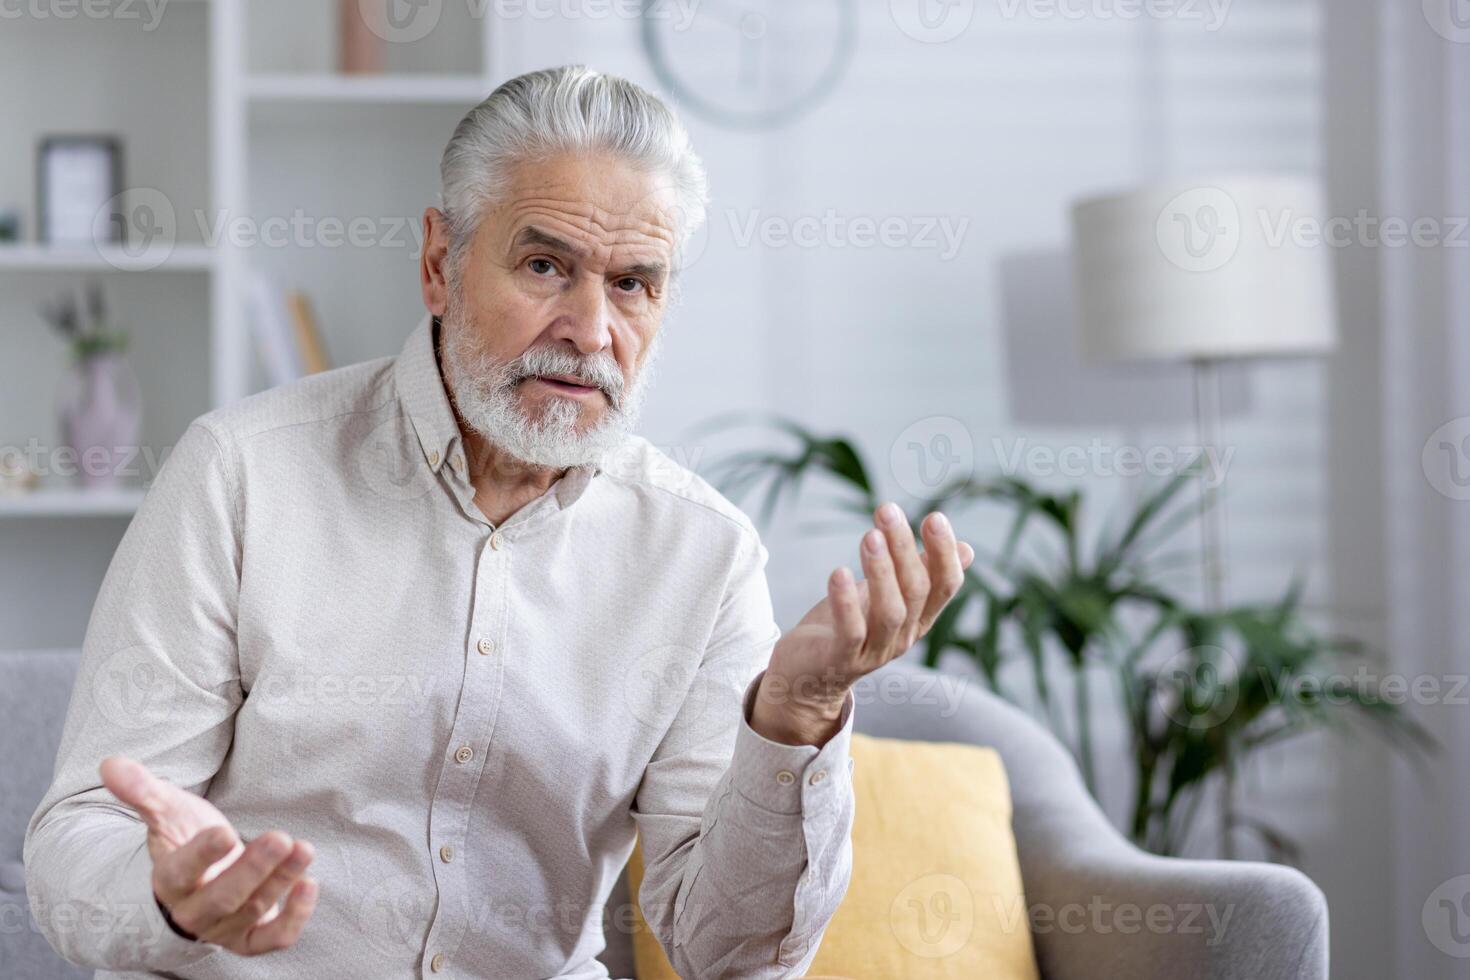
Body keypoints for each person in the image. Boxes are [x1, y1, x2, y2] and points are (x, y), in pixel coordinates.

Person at [25, 65, 973, 979]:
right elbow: (75, 850)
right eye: (546, 265)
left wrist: (793, 719)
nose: (591, 330)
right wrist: (170, 896)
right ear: (441, 263)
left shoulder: (704, 555)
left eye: (635, 283)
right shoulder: (240, 476)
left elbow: (728, 955)